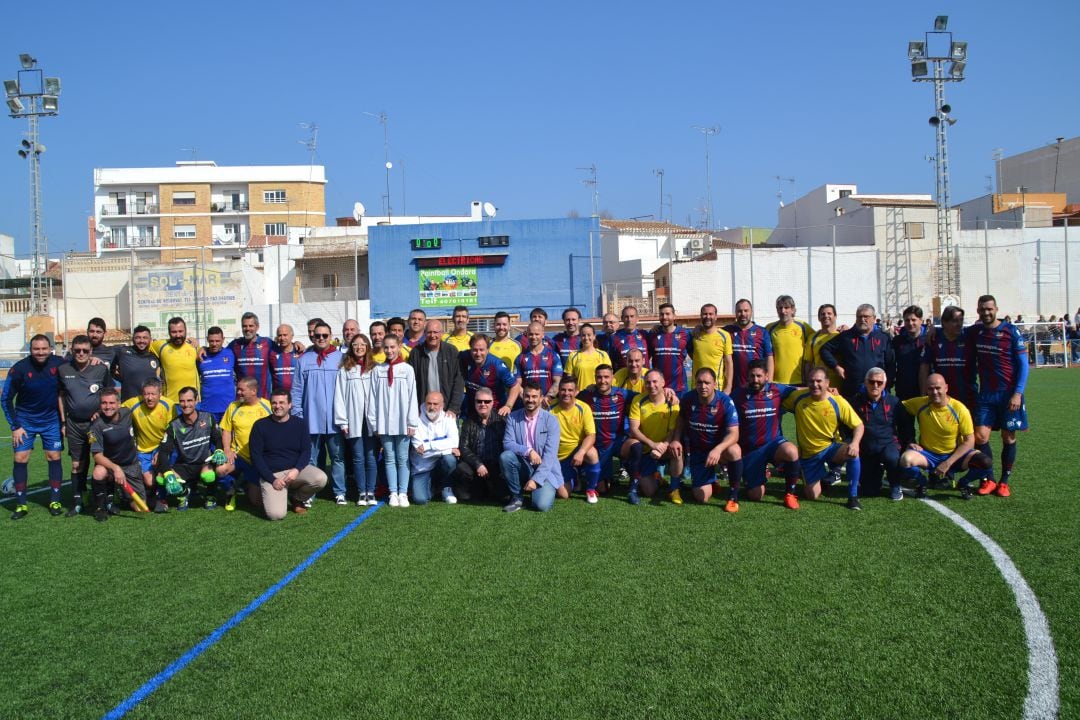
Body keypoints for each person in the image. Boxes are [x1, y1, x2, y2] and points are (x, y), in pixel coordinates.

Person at [965, 294, 1029, 497]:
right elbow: (953, 332)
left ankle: (1004, 481)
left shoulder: (1011, 331)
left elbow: (1024, 365)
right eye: (982, 309)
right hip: (986, 395)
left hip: (1009, 395)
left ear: (996, 309)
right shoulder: (975, 332)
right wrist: (932, 330)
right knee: (980, 436)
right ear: (977, 311)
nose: (986, 312)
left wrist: (1018, 393)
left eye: (989, 309)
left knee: (1008, 437)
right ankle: (989, 478)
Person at [898, 373, 992, 500]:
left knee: (985, 463)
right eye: (930, 389)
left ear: (946, 388)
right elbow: (898, 406)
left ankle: (963, 483)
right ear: (926, 389)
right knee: (905, 459)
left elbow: (970, 441)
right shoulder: (920, 403)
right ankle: (922, 482)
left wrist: (948, 463)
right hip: (928, 455)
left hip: (954, 455)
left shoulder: (959, 409)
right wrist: (909, 439)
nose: (934, 392)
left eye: (938, 388)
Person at [782, 367, 864, 510]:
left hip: (830, 448)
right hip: (809, 455)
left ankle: (853, 497)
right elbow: (778, 392)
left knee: (853, 454)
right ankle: (821, 477)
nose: (815, 385)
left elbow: (859, 425)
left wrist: (855, 443)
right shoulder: (798, 398)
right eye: (811, 381)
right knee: (812, 496)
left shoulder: (837, 400)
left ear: (827, 383)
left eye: (819, 381)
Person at [3, 334, 65, 519]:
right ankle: (21, 504)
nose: (40, 352)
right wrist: (15, 426)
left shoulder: (59, 363)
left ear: (50, 349)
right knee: (21, 458)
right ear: (30, 350)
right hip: (25, 421)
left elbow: (79, 363)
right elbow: (5, 398)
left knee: (53, 455)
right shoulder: (19, 369)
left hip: (51, 419)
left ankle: (55, 500)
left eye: (44, 348)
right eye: (36, 349)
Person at [729, 359, 801, 511]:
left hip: (773, 443)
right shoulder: (738, 395)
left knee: (791, 451)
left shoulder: (777, 390)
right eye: (752, 376)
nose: (755, 379)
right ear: (747, 377)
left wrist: (827, 390)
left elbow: (800, 391)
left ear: (767, 376)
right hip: (751, 449)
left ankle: (790, 494)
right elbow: (723, 406)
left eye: (759, 376)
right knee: (755, 495)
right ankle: (760, 473)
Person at [58, 334, 114, 516]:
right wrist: (64, 421)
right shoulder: (63, 369)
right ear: (72, 351)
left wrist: (101, 411)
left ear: (91, 352)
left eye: (85, 350)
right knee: (77, 464)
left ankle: (107, 499)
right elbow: (61, 396)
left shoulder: (100, 369)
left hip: (95, 425)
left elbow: (109, 393)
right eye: (77, 350)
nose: (81, 353)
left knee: (103, 461)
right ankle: (77, 501)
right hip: (74, 425)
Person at [249, 390, 328, 520]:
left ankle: (296, 498)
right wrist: (272, 479)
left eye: (282, 402)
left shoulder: (300, 424)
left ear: (290, 405)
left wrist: (297, 470)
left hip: (294, 471)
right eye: (274, 403)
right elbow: (256, 457)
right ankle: (275, 495)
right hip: (272, 474)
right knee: (276, 515)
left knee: (320, 479)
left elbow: (306, 451)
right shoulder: (260, 426)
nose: (277, 406)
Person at [669, 367, 742, 504]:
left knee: (735, 450)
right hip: (698, 452)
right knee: (702, 497)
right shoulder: (688, 398)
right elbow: (681, 420)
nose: (703, 386)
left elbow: (734, 434)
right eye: (699, 382)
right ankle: (708, 479)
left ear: (715, 384)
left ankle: (733, 497)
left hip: (718, 450)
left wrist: (718, 449)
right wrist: (677, 439)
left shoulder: (725, 402)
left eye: (707, 383)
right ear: (695, 383)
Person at [292, 320, 345, 504]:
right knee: (311, 458)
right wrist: (298, 415)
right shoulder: (304, 360)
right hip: (311, 418)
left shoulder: (341, 358)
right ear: (312, 336)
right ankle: (310, 493)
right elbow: (297, 389)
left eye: (325, 335)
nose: (321, 338)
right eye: (317, 335)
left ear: (331, 337)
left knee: (338, 457)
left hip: (334, 418)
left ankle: (340, 491)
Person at [153, 386, 230, 510]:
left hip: (205, 463)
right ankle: (184, 494)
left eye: (189, 400)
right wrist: (168, 473)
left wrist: (219, 450)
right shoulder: (174, 425)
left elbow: (217, 439)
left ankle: (210, 496)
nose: (186, 404)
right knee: (161, 478)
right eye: (182, 401)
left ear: (196, 401)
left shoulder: (208, 418)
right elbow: (164, 452)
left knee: (209, 475)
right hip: (185, 465)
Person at [367, 335, 420, 508]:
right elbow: (372, 398)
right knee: (389, 457)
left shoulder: (407, 369)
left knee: (403, 457)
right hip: (384, 421)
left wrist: (412, 422)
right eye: (386, 348)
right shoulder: (378, 370)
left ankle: (403, 492)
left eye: (392, 347)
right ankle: (393, 492)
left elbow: (413, 397)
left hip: (403, 421)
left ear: (399, 347)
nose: (389, 351)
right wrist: (374, 422)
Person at [499, 381, 563, 512]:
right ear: (523, 397)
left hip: (545, 470)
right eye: (527, 396)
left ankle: (540, 488)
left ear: (541, 398)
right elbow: (507, 443)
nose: (530, 400)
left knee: (541, 506)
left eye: (534, 397)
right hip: (523, 464)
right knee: (506, 456)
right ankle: (517, 498)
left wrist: (536, 480)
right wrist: (529, 451)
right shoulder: (513, 417)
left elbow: (550, 456)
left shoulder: (551, 420)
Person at [578, 364, 638, 495]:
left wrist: (666, 392)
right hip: (598, 445)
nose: (603, 380)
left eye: (606, 377)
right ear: (595, 378)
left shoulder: (622, 394)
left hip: (618, 442)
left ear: (612, 378)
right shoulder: (587, 394)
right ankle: (587, 471)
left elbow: (645, 397)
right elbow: (569, 397)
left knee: (636, 446)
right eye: (599, 377)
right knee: (602, 489)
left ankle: (633, 482)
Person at [335, 333, 378, 506]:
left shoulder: (375, 368)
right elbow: (339, 396)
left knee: (371, 456)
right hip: (353, 420)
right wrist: (342, 421)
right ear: (351, 348)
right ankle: (361, 492)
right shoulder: (345, 369)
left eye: (362, 344)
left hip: (371, 420)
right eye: (355, 345)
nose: (359, 347)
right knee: (358, 457)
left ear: (367, 347)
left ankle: (371, 491)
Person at [88, 388, 145, 520]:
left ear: (119, 404)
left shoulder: (128, 413)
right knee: (98, 472)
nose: (108, 407)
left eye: (112, 403)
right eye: (104, 403)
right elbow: (97, 456)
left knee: (140, 507)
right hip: (111, 466)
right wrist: (115, 468)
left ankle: (119, 493)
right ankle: (100, 507)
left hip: (130, 465)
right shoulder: (94, 426)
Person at [121, 378, 176, 513]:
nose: (149, 398)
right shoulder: (134, 403)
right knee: (150, 481)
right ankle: (143, 495)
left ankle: (162, 498)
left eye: (153, 394)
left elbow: (171, 432)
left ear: (160, 394)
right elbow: (115, 408)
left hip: (163, 447)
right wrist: (97, 413)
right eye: (146, 394)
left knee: (164, 474)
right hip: (143, 450)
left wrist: (162, 451)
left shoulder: (169, 405)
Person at [626, 369, 681, 504]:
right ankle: (657, 477)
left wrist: (664, 446)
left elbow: (672, 431)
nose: (652, 385)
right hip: (646, 448)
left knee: (677, 449)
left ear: (663, 382)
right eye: (648, 382)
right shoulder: (638, 400)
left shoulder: (672, 402)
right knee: (649, 492)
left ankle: (674, 489)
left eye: (655, 382)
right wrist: (652, 445)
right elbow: (634, 429)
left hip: (664, 447)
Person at [820, 303, 894, 401]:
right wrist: (836, 366)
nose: (862, 319)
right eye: (859, 317)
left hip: (876, 390)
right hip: (851, 391)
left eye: (866, 316)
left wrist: (887, 386)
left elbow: (891, 364)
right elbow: (824, 350)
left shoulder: (883, 338)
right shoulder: (846, 337)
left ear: (874, 318)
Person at [851, 368, 904, 501]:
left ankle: (895, 484)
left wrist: (909, 443)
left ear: (885, 384)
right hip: (867, 448)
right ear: (865, 382)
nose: (875, 385)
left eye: (879, 382)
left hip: (888, 444)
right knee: (869, 491)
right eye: (872, 381)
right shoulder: (855, 401)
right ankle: (877, 472)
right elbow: (847, 423)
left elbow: (905, 425)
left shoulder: (894, 402)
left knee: (892, 457)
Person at [220, 376, 272, 511]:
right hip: (239, 456)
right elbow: (226, 430)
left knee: (256, 502)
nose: (238, 393)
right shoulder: (233, 406)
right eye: (238, 389)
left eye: (242, 390)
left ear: (254, 391)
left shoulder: (267, 405)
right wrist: (227, 449)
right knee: (221, 469)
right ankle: (231, 490)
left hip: (260, 459)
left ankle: (247, 483)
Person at [550, 377, 601, 503]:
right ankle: (575, 476)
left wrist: (581, 452)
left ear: (576, 391)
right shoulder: (549, 408)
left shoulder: (583, 408)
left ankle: (590, 489)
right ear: (558, 391)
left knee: (592, 453)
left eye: (570, 390)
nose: (566, 393)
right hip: (558, 458)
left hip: (576, 451)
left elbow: (591, 435)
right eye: (563, 390)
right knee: (564, 495)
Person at [454, 387, 507, 501]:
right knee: (461, 469)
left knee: (502, 497)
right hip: (476, 467)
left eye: (487, 401)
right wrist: (478, 464)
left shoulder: (502, 421)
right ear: (475, 403)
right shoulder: (468, 422)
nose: (483, 404)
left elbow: (507, 445)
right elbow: (464, 447)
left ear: (492, 403)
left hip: (496, 467)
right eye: (479, 401)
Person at [919, 305, 975, 411]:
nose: (959, 324)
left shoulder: (969, 336)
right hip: (940, 398)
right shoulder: (933, 339)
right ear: (944, 322)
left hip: (967, 397)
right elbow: (924, 367)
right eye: (955, 321)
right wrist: (923, 394)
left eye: (961, 320)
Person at [408, 319, 465, 418]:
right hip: (423, 409)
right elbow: (411, 384)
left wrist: (453, 409)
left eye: (435, 332)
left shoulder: (451, 351)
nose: (432, 335)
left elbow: (458, 381)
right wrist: (415, 409)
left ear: (442, 333)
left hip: (447, 410)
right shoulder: (416, 353)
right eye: (429, 332)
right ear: (424, 334)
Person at [410, 391, 460, 504]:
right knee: (420, 500)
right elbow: (421, 452)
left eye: (435, 404)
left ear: (442, 405)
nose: (432, 407)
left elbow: (454, 442)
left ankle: (446, 487)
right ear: (425, 403)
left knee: (450, 460)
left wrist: (428, 446)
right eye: (429, 403)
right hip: (422, 468)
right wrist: (448, 449)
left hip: (440, 463)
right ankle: (434, 487)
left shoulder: (449, 418)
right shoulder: (415, 420)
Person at [891, 305, 930, 447]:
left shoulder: (929, 340)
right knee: (905, 430)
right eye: (907, 320)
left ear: (921, 320)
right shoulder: (897, 341)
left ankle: (929, 461)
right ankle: (907, 463)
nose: (910, 323)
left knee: (927, 429)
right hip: (903, 392)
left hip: (925, 392)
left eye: (914, 320)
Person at [460, 333, 521, 416]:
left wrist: (508, 406)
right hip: (473, 411)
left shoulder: (497, 365)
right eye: (475, 350)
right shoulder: (464, 357)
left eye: (481, 350)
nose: (478, 354)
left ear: (488, 349)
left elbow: (515, 386)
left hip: (495, 412)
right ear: (470, 349)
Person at [724, 298, 774, 388]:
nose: (743, 314)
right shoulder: (727, 331)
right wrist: (698, 328)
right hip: (733, 387)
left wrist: (768, 383)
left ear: (751, 312)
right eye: (739, 311)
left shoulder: (762, 332)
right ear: (735, 313)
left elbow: (769, 358)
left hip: (756, 384)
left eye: (746, 311)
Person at [767, 295, 814, 386]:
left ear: (792, 309)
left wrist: (839, 330)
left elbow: (819, 337)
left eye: (786, 307)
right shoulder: (770, 328)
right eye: (780, 308)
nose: (783, 311)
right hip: (776, 383)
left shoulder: (803, 326)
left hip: (799, 382)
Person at [150, 316, 199, 402]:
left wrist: (196, 342)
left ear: (186, 331)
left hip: (193, 401)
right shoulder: (160, 346)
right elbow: (142, 348)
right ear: (169, 332)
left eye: (180, 331)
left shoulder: (194, 346)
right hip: (170, 402)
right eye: (174, 332)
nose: (178, 335)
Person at [648, 302, 693, 395]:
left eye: (667, 314)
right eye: (661, 314)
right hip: (658, 388)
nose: (664, 317)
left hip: (680, 388)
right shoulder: (652, 335)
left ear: (674, 316)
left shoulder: (685, 334)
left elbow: (694, 355)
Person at [515, 321, 562, 407]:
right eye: (531, 334)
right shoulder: (520, 358)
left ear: (543, 334)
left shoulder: (553, 355)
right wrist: (529, 400)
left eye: (537, 334)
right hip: (528, 405)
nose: (534, 337)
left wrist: (547, 398)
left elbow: (557, 381)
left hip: (548, 404)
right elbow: (517, 384)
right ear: (527, 335)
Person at [228, 312, 273, 398]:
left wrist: (295, 344)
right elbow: (220, 352)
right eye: (244, 326)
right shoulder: (235, 344)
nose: (247, 329)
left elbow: (284, 349)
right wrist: (204, 348)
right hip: (242, 399)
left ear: (257, 327)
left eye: (251, 326)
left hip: (263, 399)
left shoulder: (267, 343)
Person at [691, 303, 734, 395]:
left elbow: (729, 362)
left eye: (711, 314)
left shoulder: (724, 335)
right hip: (697, 387)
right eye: (705, 314)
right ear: (701, 316)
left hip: (717, 387)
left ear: (716, 317)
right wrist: (657, 327)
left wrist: (729, 386)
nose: (707, 316)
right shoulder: (694, 335)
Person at [197, 326, 237, 423]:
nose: (214, 344)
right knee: (211, 438)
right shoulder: (200, 357)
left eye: (217, 341)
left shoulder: (231, 353)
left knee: (228, 437)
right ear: (207, 340)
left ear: (223, 340)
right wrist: (201, 348)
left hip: (228, 408)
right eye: (211, 341)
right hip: (207, 408)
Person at [113, 325, 160, 402]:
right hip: (129, 403)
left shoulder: (155, 356)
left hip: (149, 402)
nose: (141, 340)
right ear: (133, 339)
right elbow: (104, 354)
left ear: (150, 339)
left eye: (145, 337)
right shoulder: (122, 352)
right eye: (138, 337)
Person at [803, 304, 843, 388]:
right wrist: (808, 384)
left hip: (839, 385)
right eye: (823, 314)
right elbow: (808, 364)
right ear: (818, 318)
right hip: (818, 386)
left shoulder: (842, 336)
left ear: (835, 316)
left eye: (829, 313)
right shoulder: (812, 338)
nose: (826, 316)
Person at [563, 323, 611, 390]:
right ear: (580, 337)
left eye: (589, 335)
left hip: (598, 395)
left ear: (594, 336)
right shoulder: (573, 355)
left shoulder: (603, 355)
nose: (586, 338)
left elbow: (609, 377)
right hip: (580, 396)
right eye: (583, 335)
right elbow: (569, 379)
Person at [610, 305, 649, 371]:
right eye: (626, 317)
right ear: (622, 318)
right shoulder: (615, 337)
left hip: (644, 379)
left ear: (637, 318)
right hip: (623, 379)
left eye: (632, 316)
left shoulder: (645, 335)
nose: (629, 320)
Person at [269, 324, 300, 395]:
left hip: (296, 396)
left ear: (292, 336)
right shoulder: (272, 353)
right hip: (279, 397)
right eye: (280, 335)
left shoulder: (300, 352)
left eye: (285, 335)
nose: (282, 338)